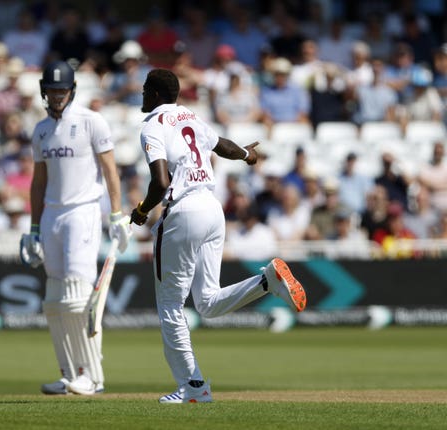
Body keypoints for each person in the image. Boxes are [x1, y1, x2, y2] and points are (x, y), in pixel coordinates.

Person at [129, 69, 306, 404]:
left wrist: (141, 211)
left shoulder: (152, 126)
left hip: (183, 211)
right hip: (212, 209)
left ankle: (192, 388)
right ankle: (267, 281)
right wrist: (247, 155)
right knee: (207, 302)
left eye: (143, 91)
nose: (141, 96)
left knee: (170, 305)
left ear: (153, 94)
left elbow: (161, 182)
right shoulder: (190, 116)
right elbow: (221, 144)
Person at [19, 61, 131, 396]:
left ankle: (91, 375)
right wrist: (34, 228)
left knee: (79, 295)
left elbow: (111, 170)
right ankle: (68, 372)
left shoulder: (91, 122)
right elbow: (38, 184)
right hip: (52, 216)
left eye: (61, 90)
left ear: (71, 91)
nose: (56, 96)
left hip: (83, 212)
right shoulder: (40, 130)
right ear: (44, 91)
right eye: (51, 90)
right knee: (54, 299)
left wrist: (116, 214)